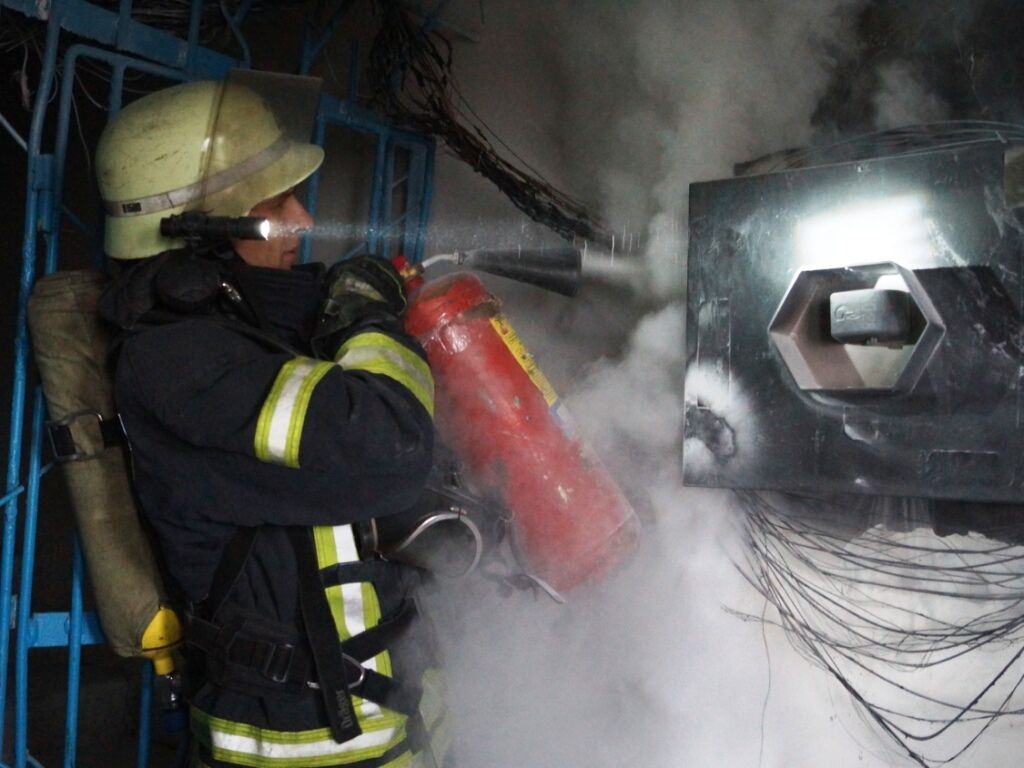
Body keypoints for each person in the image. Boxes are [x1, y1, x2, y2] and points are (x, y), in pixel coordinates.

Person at [94, 74, 443, 768]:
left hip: (386, 730)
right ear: (201, 229)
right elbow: (393, 447)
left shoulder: (249, 333)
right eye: (277, 201)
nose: (303, 221)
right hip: (301, 745)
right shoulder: (182, 365)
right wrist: (368, 321)